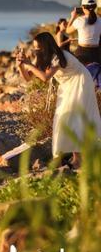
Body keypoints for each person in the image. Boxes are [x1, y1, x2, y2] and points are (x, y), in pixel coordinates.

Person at [16, 32, 101, 168]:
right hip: (67, 85)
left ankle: (79, 160)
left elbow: (45, 77)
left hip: (80, 82)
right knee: (64, 117)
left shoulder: (58, 56)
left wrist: (29, 64)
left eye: (38, 48)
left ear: (46, 46)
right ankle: (77, 158)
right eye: (34, 48)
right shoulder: (44, 57)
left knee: (74, 117)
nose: (36, 51)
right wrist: (21, 66)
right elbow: (28, 78)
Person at [66, 0, 101, 65]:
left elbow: (67, 31)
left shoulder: (80, 20)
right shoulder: (100, 20)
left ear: (83, 7)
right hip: (97, 53)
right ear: (95, 7)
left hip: (82, 52)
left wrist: (72, 17)